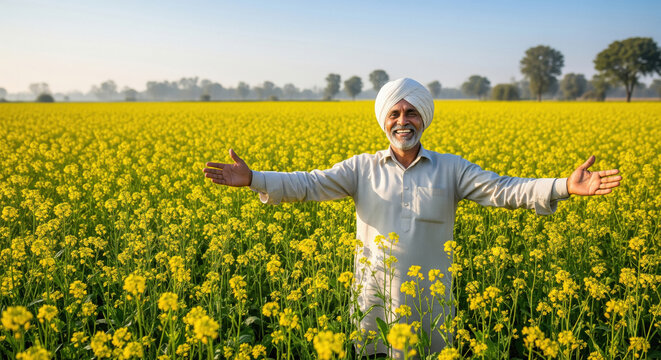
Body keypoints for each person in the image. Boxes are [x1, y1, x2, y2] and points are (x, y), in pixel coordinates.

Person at [202, 78, 621, 358]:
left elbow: (504, 190)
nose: (403, 121)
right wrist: (255, 178)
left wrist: (564, 186)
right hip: (374, 303)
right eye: (395, 114)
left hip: (431, 307)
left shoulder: (452, 168)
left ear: (424, 118)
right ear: (385, 121)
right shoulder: (362, 167)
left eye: (411, 113)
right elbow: (310, 184)